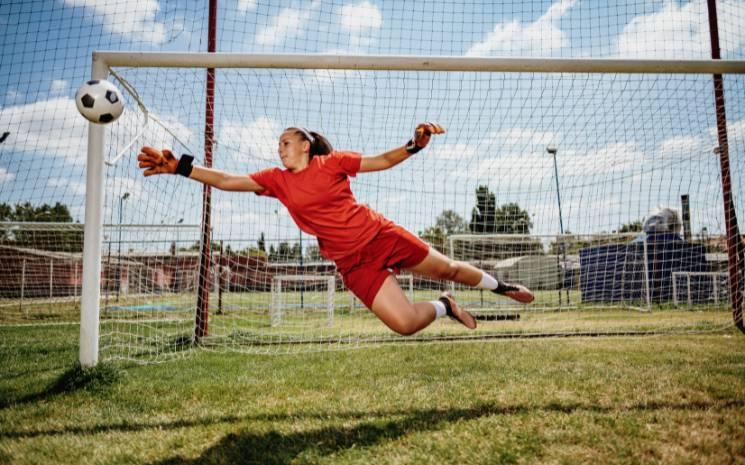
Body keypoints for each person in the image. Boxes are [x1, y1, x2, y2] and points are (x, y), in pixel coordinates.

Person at [137, 123, 534, 335]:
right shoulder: (276, 180)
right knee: (406, 325)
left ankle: (501, 288)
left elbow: (381, 160)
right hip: (352, 263)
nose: (280, 148)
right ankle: (445, 306)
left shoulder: (333, 163)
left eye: (286, 141)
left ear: (306, 145)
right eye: (278, 144)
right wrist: (180, 167)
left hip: (381, 236)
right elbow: (226, 180)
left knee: (447, 267)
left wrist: (414, 145)